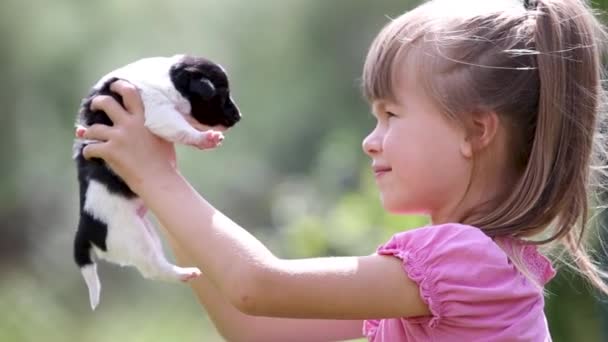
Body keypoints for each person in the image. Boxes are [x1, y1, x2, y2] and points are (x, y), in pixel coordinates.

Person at [75, 0, 608, 340]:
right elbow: (254, 327)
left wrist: (157, 179)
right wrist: (159, 181)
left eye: (390, 114)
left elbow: (256, 285)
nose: (370, 141)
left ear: (475, 131)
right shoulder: (468, 271)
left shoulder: (462, 260)